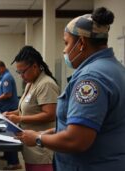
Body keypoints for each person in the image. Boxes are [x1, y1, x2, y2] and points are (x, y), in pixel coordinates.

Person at [16, 7, 125, 171]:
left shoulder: (91, 78)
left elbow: (76, 139)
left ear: (81, 43)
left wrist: (38, 138)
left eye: (66, 43)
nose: (64, 50)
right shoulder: (116, 69)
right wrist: (51, 132)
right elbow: (92, 126)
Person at [7, 46, 59, 171]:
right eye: (18, 73)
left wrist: (19, 118)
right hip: (31, 146)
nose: (21, 76)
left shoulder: (46, 84)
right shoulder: (31, 83)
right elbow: (27, 109)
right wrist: (11, 114)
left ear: (35, 66)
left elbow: (50, 114)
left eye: (23, 72)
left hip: (42, 149)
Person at [0, 60, 21, 170]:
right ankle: (8, 156)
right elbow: (1, 91)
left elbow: (8, 94)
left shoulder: (7, 77)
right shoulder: (4, 77)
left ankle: (14, 163)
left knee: (10, 135)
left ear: (1, 67)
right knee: (7, 134)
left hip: (10, 109)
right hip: (5, 108)